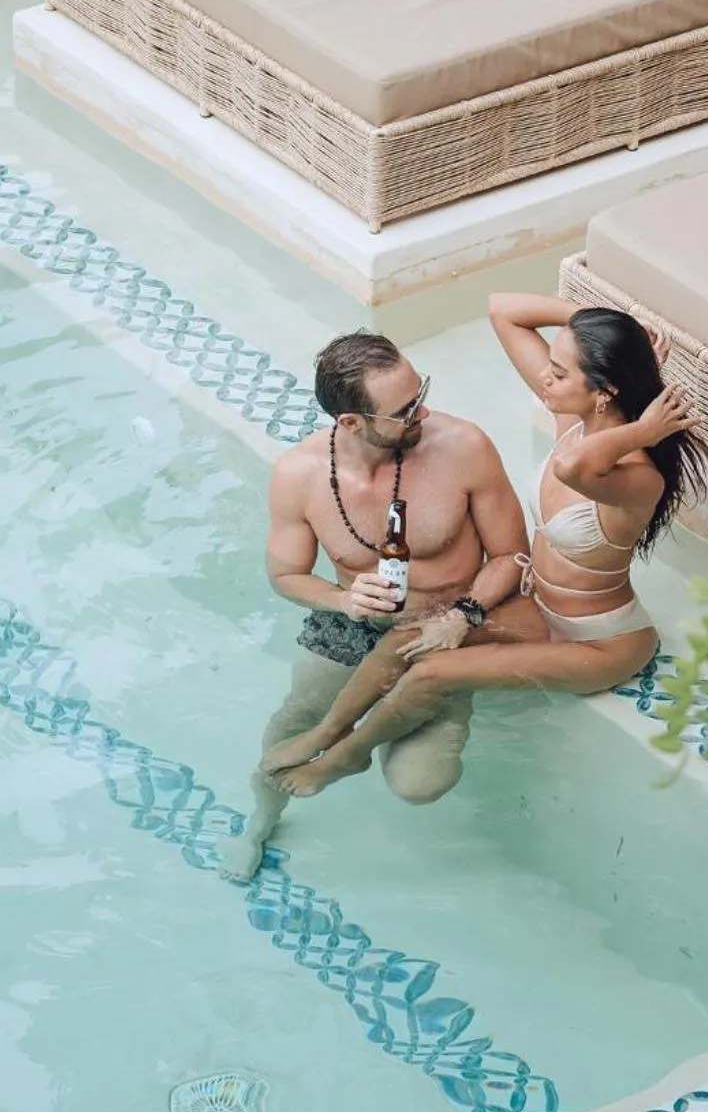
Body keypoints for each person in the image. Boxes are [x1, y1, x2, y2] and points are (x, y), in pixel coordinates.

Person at [263, 296, 707, 801]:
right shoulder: (576, 425)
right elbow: (503, 310)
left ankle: (346, 757)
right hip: (540, 609)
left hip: (600, 640)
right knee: (405, 641)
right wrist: (607, 330)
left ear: (604, 392)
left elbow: (574, 470)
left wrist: (644, 429)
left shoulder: (637, 478)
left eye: (559, 372)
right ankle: (327, 732)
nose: (545, 379)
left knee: (430, 673)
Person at [217, 329, 529, 882]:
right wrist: (343, 598)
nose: (423, 411)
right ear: (351, 422)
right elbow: (285, 576)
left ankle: (364, 743)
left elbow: (512, 556)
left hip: (446, 624)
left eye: (420, 392)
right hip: (354, 622)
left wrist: (463, 616)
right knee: (286, 738)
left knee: (420, 785)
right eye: (404, 410)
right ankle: (260, 823)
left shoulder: (463, 447)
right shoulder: (300, 475)